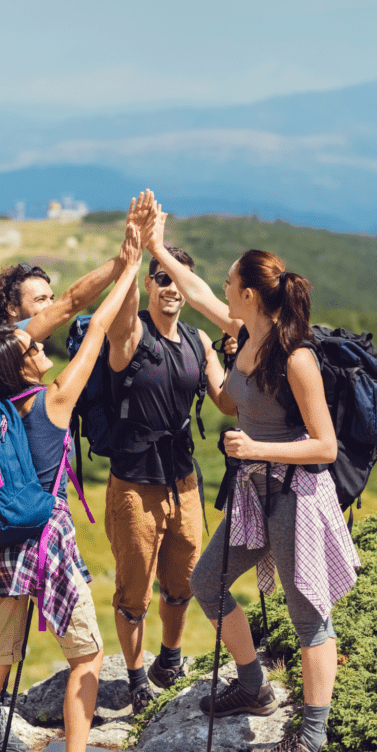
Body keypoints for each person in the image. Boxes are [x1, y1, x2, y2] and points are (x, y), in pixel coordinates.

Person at [0, 194, 154, 752]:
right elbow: (86, 306)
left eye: (50, 299)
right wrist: (128, 257)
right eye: (39, 302)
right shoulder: (6, 354)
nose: (51, 308)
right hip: (7, 506)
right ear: (12, 313)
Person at [155, 237, 361, 752]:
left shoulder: (296, 357)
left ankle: (311, 739)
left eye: (229, 282)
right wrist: (154, 243)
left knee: (309, 616)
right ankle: (253, 689)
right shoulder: (243, 335)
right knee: (207, 583)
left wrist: (255, 448)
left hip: (297, 495)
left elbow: (325, 446)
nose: (221, 287)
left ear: (248, 293)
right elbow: (230, 395)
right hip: (255, 494)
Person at [104, 217, 241, 714]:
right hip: (134, 483)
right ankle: (137, 676)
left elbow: (227, 402)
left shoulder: (199, 342)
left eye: (179, 280)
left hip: (183, 479)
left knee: (182, 581)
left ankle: (170, 658)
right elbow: (117, 317)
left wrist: (239, 355)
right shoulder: (132, 333)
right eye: (163, 279)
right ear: (149, 284)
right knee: (134, 590)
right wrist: (137, 251)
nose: (172, 289)